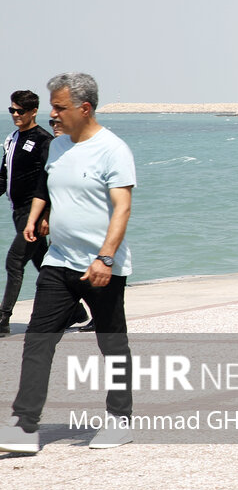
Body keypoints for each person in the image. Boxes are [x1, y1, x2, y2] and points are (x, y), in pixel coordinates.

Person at [0, 73, 137, 454]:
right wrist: (36, 215)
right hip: (58, 263)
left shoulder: (113, 150)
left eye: (59, 107)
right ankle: (25, 427)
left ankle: (120, 420)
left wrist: (105, 257)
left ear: (84, 108)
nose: (53, 114)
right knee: (38, 341)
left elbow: (122, 208)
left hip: (101, 266)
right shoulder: (58, 146)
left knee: (112, 344)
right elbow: (47, 184)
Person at [1, 90, 54, 337]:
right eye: (12, 110)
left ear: (33, 111)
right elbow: (4, 176)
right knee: (46, 265)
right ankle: (76, 311)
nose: (15, 115)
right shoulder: (11, 139)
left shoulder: (44, 140)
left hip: (33, 213)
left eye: (20, 111)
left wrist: (46, 216)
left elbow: (51, 180)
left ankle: (3, 318)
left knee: (14, 262)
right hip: (17, 211)